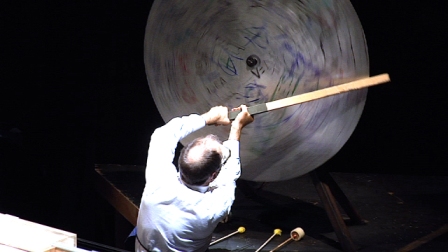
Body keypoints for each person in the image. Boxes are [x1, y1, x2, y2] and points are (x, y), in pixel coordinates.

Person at [135, 105, 254, 252]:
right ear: (213, 176)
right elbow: (230, 175)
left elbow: (163, 134)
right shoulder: (214, 207)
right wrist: (237, 128)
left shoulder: (159, 179)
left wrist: (209, 117)